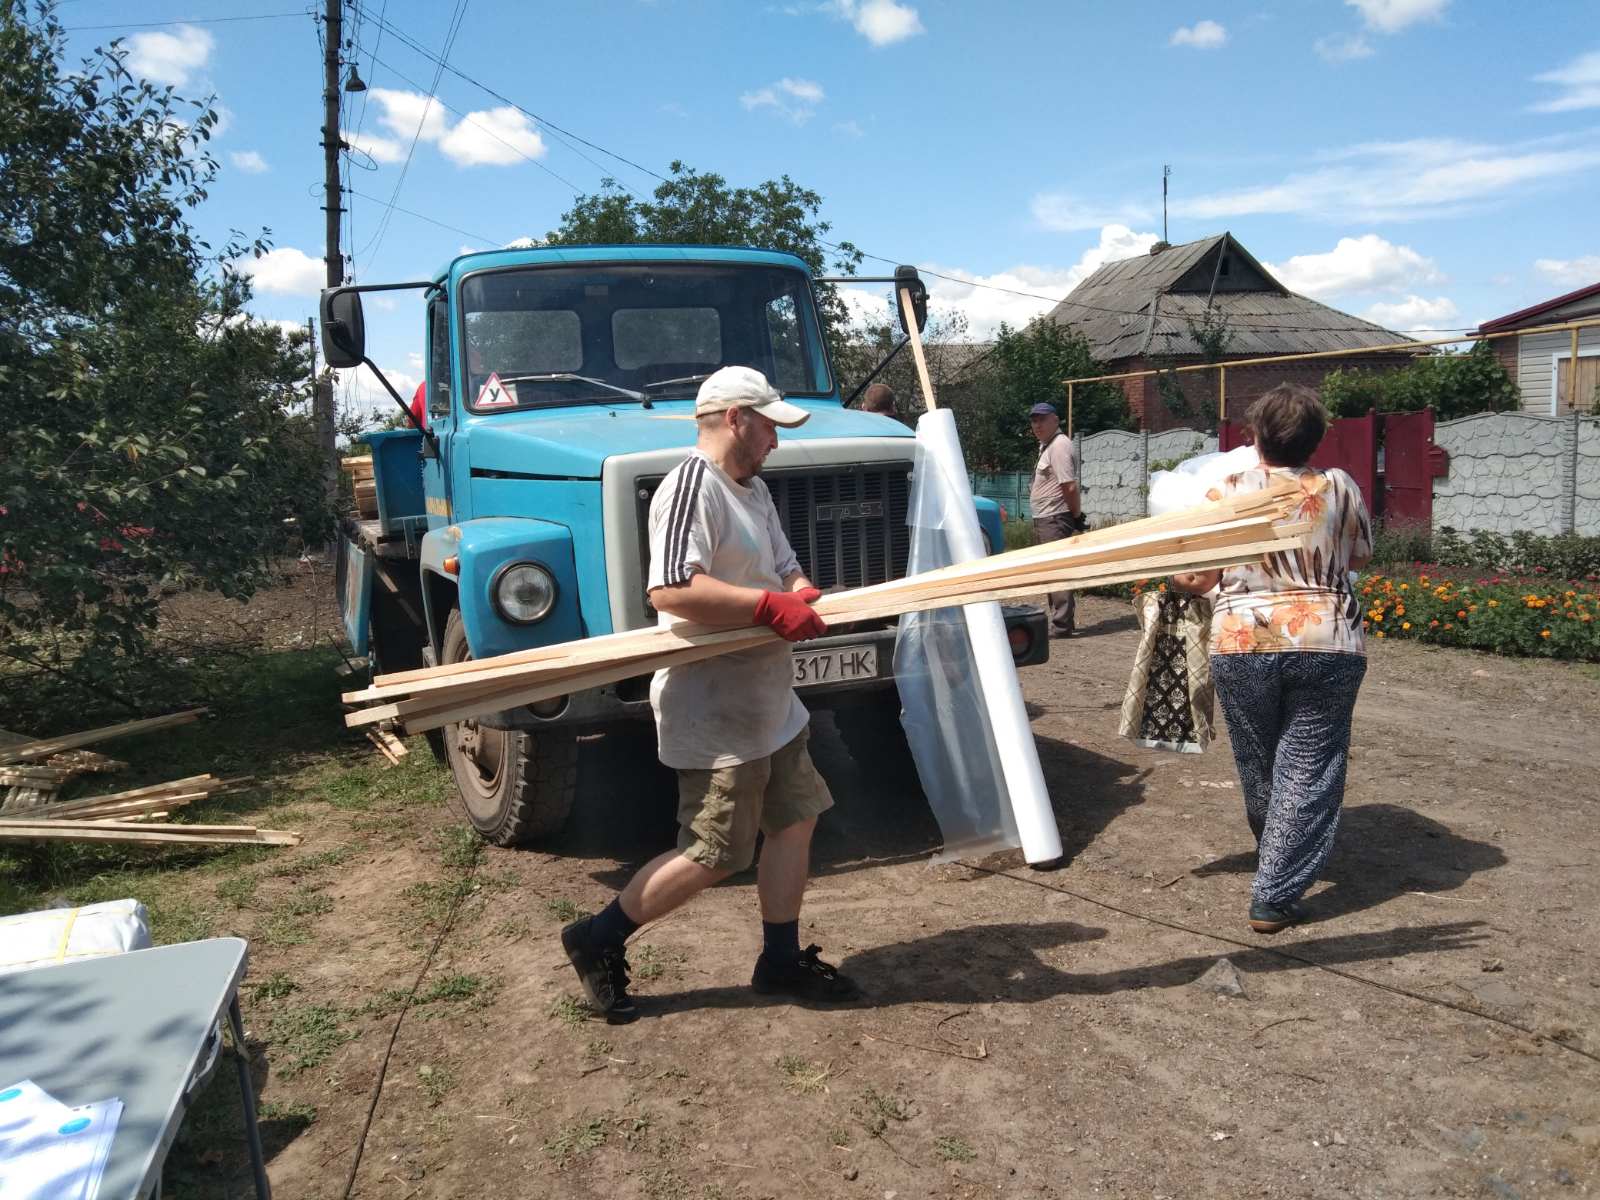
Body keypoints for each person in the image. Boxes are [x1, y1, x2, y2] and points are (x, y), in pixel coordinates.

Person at [561, 365, 861, 1021]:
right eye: (769, 430)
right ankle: (596, 937)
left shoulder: (752, 490)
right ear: (736, 419)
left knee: (796, 817)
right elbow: (669, 591)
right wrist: (768, 606)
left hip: (769, 700)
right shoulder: (689, 487)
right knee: (715, 851)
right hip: (714, 706)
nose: (775, 444)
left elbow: (784, 564)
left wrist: (800, 591)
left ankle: (779, 960)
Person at [1171, 383, 1373, 935]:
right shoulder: (1341, 487)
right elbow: (1359, 556)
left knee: (1259, 761)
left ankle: (1275, 859)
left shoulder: (1227, 490)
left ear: (1256, 435)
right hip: (1328, 641)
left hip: (1242, 642)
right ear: (1315, 439)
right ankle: (1277, 887)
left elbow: (1196, 579)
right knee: (1308, 765)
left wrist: (1173, 572)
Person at [1027, 402, 1084, 638]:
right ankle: (1060, 621)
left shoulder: (1059, 446)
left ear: (1056, 420)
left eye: (1042, 419)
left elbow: (1068, 486)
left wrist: (1077, 516)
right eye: (1034, 420)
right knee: (1050, 571)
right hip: (1046, 517)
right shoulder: (1047, 446)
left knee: (1058, 570)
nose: (1037, 424)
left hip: (1054, 517)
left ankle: (1061, 625)